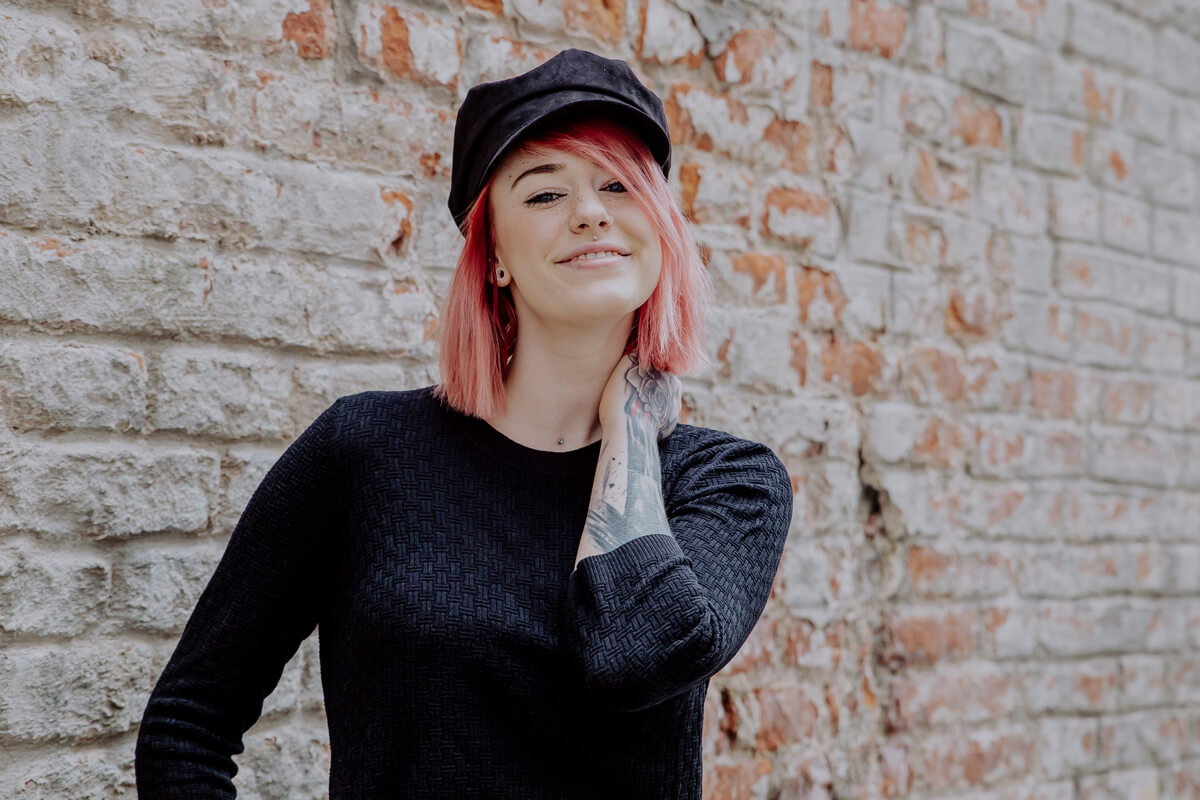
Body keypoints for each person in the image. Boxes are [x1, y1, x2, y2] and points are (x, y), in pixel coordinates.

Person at [135, 49, 793, 798]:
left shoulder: (730, 484)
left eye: (619, 184)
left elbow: (632, 657)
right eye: (544, 194)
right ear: (494, 258)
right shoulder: (366, 452)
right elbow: (188, 725)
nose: (589, 211)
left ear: (660, 232)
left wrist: (632, 426)